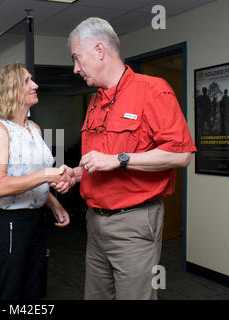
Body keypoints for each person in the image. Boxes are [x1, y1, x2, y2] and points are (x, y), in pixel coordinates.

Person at [57, 17, 197, 300]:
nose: (75, 69)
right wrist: (78, 174)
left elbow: (181, 154)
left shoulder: (152, 90)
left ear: (99, 50)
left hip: (133, 223)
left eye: (77, 58)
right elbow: (99, 161)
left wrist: (120, 159)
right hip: (95, 221)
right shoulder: (96, 101)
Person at [0, 63, 71, 300]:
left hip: (35, 221)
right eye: (27, 81)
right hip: (10, 224)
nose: (35, 85)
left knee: (35, 292)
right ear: (11, 89)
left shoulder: (35, 128)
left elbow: (32, 179)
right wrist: (47, 175)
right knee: (11, 295)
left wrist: (53, 203)